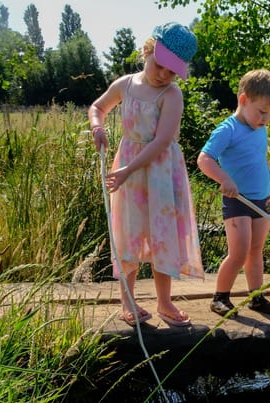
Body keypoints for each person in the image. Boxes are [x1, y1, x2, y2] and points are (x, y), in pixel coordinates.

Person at [88, 22, 204, 327]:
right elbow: (97, 107)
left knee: (161, 233)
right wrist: (97, 127)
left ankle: (164, 302)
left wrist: (127, 170)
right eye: (160, 66)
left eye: (172, 71)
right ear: (147, 50)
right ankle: (128, 299)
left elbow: (163, 140)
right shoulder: (125, 85)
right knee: (129, 230)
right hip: (129, 172)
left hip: (160, 171)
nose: (164, 75)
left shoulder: (171, 94)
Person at [197, 69, 270, 316]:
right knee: (239, 252)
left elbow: (260, 159)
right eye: (262, 112)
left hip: (261, 198)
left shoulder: (260, 128)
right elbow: (204, 159)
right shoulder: (229, 129)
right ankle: (220, 297)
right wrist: (224, 178)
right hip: (237, 200)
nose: (266, 119)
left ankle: (256, 297)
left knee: (256, 250)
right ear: (244, 100)